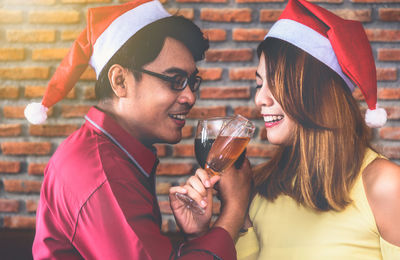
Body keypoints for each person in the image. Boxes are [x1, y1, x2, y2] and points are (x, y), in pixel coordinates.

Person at [26, 0, 252, 259]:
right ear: (120, 81)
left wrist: (199, 237)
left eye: (192, 82)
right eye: (175, 81)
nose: (190, 97)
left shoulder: (110, 154)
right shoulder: (101, 172)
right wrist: (234, 210)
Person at [233, 0, 400, 259]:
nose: (260, 100)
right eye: (259, 84)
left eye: (275, 83)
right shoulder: (260, 188)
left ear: (318, 93)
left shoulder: (385, 185)